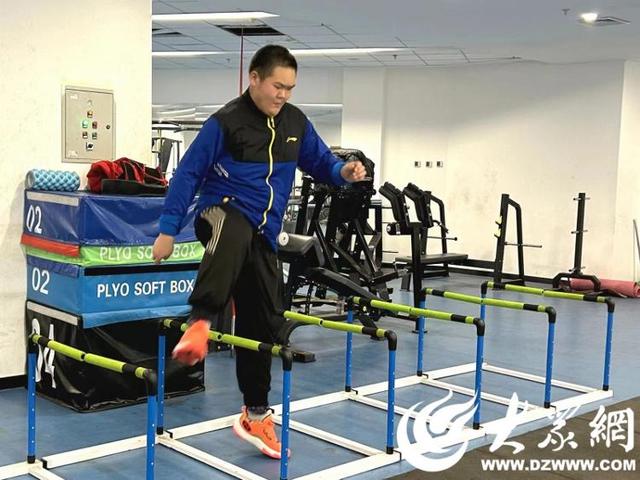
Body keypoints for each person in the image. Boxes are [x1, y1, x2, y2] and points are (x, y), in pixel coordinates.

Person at [152, 44, 366, 459]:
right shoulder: (225, 122)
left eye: (289, 88)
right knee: (233, 227)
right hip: (220, 212)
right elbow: (188, 175)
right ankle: (200, 321)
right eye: (276, 86)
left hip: (263, 233)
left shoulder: (295, 122)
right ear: (254, 78)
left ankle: (255, 413)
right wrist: (167, 230)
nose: (283, 94)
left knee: (264, 319)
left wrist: (344, 171)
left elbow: (321, 163)